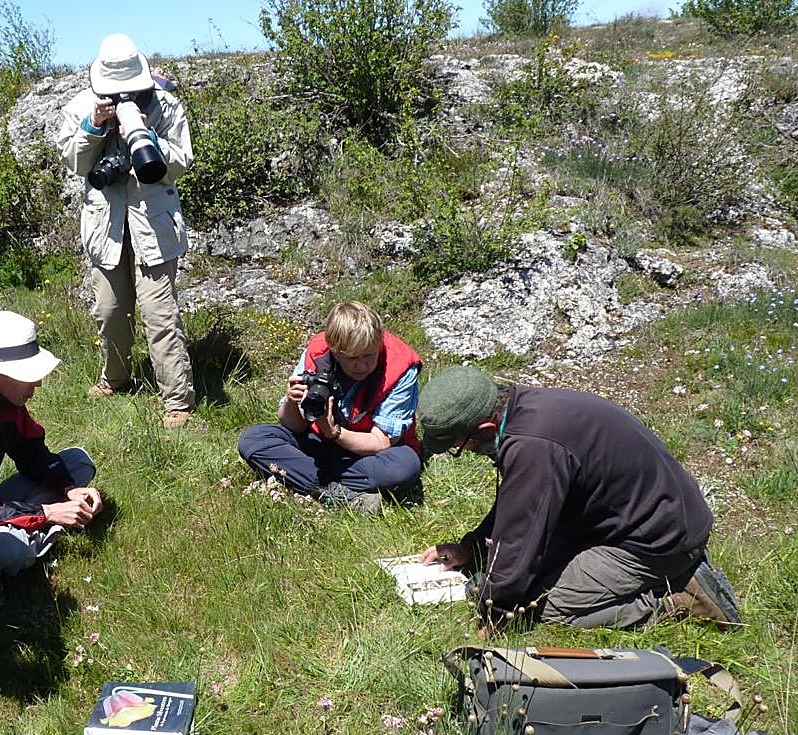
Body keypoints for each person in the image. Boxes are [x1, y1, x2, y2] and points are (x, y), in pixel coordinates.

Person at [416, 365, 742, 632]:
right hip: (651, 519)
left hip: (657, 543)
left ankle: (678, 599)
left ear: (485, 428)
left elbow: (519, 538)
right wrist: (472, 548)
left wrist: (496, 608)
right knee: (531, 577)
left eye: (462, 447)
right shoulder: (520, 408)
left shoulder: (533, 445)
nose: (467, 453)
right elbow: (520, 504)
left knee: (538, 607)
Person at [55, 32, 196, 429]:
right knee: (109, 311)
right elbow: (76, 163)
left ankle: (177, 401)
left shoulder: (166, 106)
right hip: (106, 227)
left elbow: (182, 161)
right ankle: (114, 378)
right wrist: (95, 126)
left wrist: (148, 139)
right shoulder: (82, 107)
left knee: (159, 315)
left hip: (154, 223)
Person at [0, 311, 103, 576]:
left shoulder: (4, 397)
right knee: (8, 549)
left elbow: (33, 455)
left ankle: (37, 527)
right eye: (28, 375)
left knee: (78, 461)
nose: (38, 382)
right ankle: (38, 533)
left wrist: (69, 488)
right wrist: (47, 513)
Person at [237, 301, 423, 513]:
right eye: (352, 358)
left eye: (369, 356)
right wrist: (291, 401)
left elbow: (380, 442)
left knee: (404, 467)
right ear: (335, 351)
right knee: (252, 439)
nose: (361, 365)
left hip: (368, 453)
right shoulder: (317, 353)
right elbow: (294, 426)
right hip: (321, 443)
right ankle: (337, 494)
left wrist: (334, 432)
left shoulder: (400, 366)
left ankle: (307, 479)